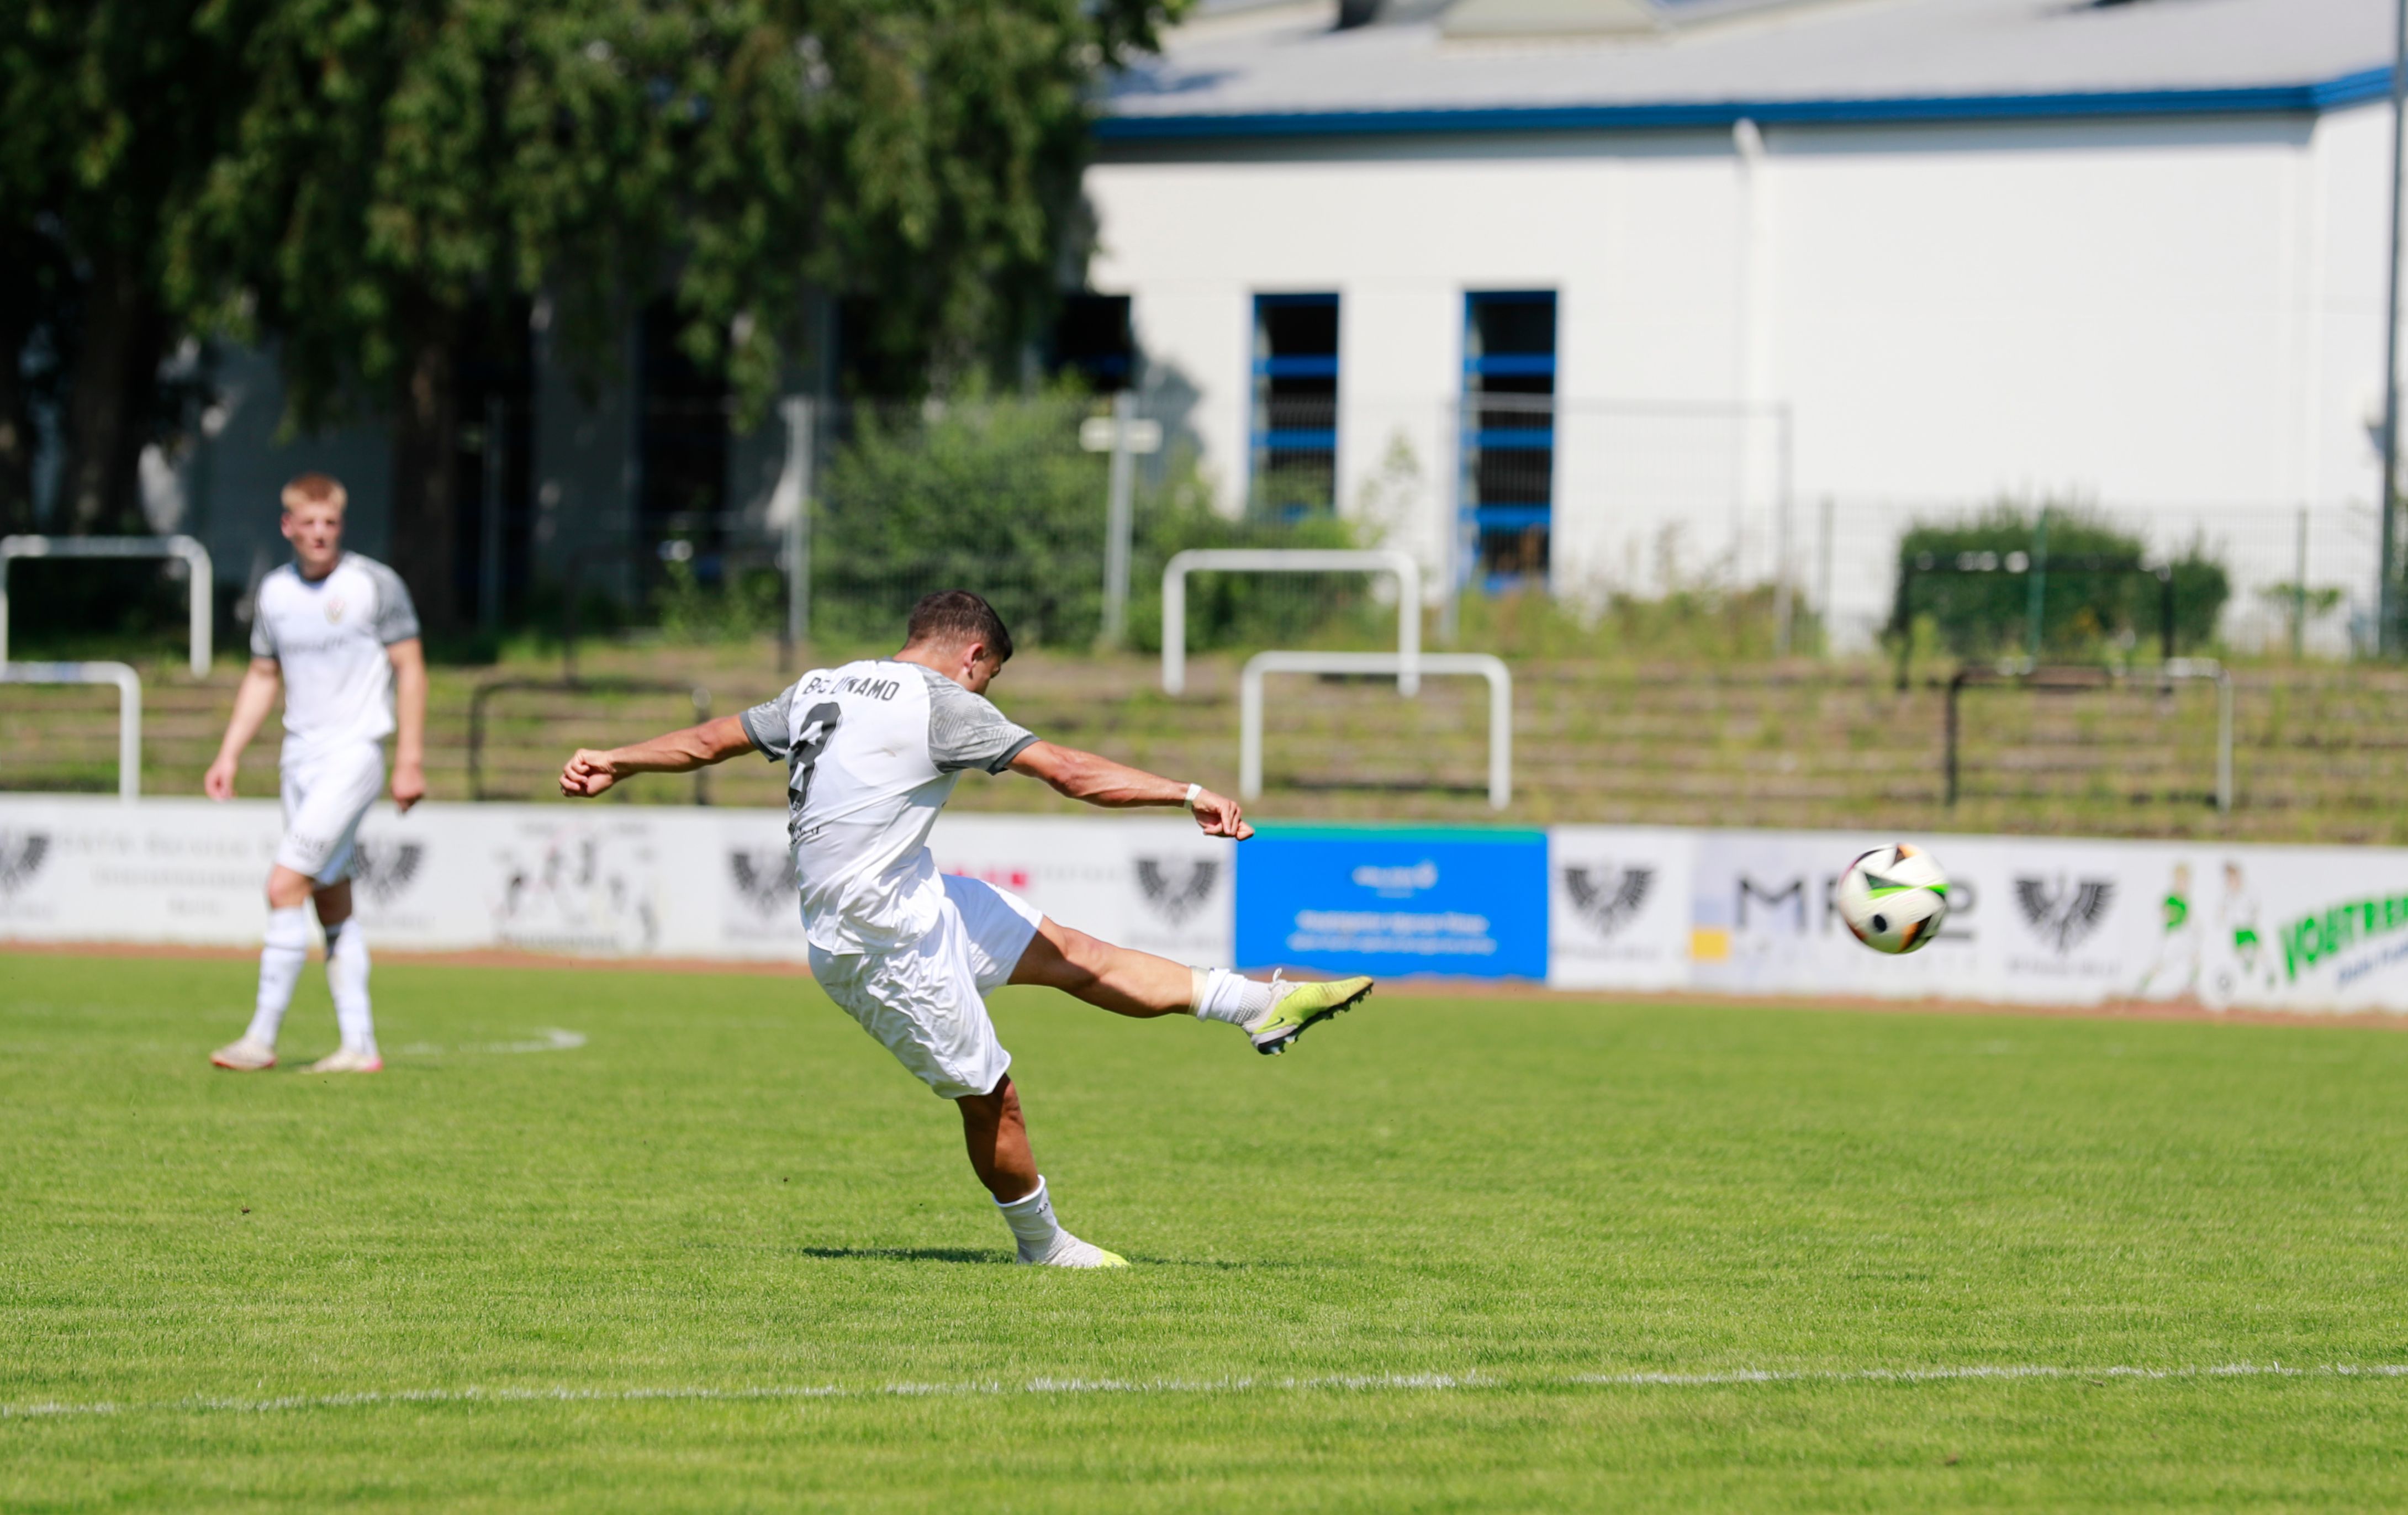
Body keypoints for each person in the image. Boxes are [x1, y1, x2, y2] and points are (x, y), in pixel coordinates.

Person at [556, 590, 1372, 1268]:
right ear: (973, 655)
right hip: (878, 946)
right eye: (991, 678)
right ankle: (1042, 1247)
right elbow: (1069, 771)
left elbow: (710, 740)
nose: (986, 695)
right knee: (992, 1099)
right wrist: (1185, 790)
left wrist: (617, 757)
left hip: (919, 900)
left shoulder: (820, 685)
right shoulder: (943, 704)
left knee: (1075, 955)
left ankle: (1257, 1006)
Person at [205, 473, 427, 1074]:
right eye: (308, 523)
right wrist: (228, 753)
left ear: (341, 525)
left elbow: (410, 667)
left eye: (330, 522)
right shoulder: (275, 593)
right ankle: (359, 1046)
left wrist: (408, 758)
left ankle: (259, 1038)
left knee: (283, 886)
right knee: (331, 901)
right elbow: (261, 675)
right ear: (288, 526)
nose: (320, 533)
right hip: (298, 760)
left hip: (354, 755)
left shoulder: (373, 585)